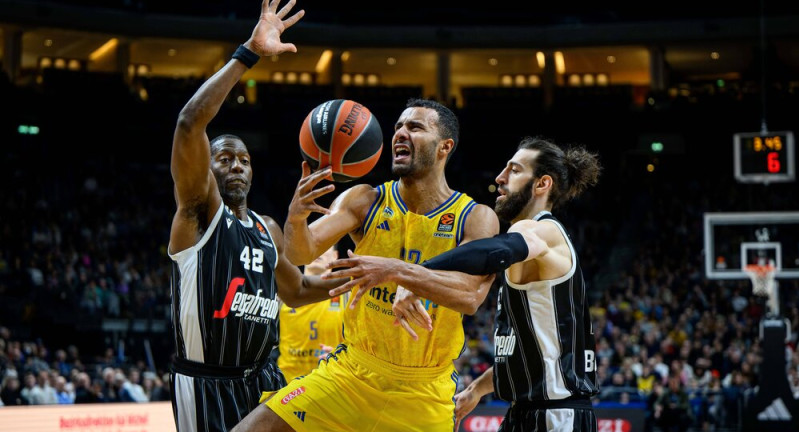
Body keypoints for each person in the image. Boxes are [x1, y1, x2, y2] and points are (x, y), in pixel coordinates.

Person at [231, 98, 500, 431]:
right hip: (351, 374)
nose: (401, 133)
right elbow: (302, 253)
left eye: (415, 127)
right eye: (398, 127)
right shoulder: (364, 199)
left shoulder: (475, 218)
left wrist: (395, 270)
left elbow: (469, 296)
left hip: (423, 392)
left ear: (445, 146)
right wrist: (296, 218)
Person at [323, 136, 602, 431]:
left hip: (556, 415)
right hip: (532, 412)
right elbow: (536, 356)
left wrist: (412, 272)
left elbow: (497, 250)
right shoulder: (535, 251)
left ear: (542, 184)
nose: (500, 178)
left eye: (515, 170)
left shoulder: (541, 231)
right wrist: (476, 390)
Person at [167, 0, 345, 431]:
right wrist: (248, 54)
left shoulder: (267, 227)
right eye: (224, 157)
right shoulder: (198, 214)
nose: (236, 165)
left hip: (266, 382)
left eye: (244, 159)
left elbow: (298, 290)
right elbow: (190, 123)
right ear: (206, 168)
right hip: (208, 385)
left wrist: (354, 278)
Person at [276, 245, 347, 381]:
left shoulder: (347, 294)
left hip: (331, 381)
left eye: (324, 247)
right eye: (312, 246)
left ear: (335, 256)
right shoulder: (284, 293)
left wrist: (343, 355)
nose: (318, 251)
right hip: (286, 384)